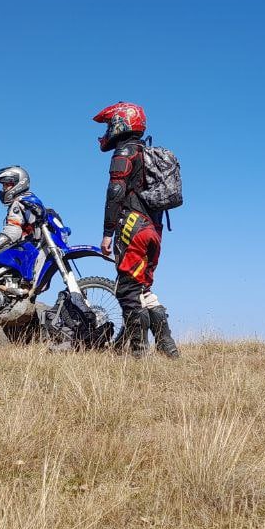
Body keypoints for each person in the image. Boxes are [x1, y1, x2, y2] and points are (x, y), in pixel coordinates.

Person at [92, 102, 179, 358]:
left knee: (127, 290)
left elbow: (115, 192)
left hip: (133, 227)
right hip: (154, 229)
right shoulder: (147, 153)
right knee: (143, 289)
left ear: (121, 123)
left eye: (110, 124)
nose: (108, 129)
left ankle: (138, 353)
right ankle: (168, 348)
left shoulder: (124, 152)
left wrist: (107, 232)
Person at [0, 165, 42, 258]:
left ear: (18, 184)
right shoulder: (30, 199)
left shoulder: (19, 201)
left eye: (7, 185)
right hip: (36, 248)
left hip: (29, 250)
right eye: (3, 185)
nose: (3, 189)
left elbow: (14, 229)